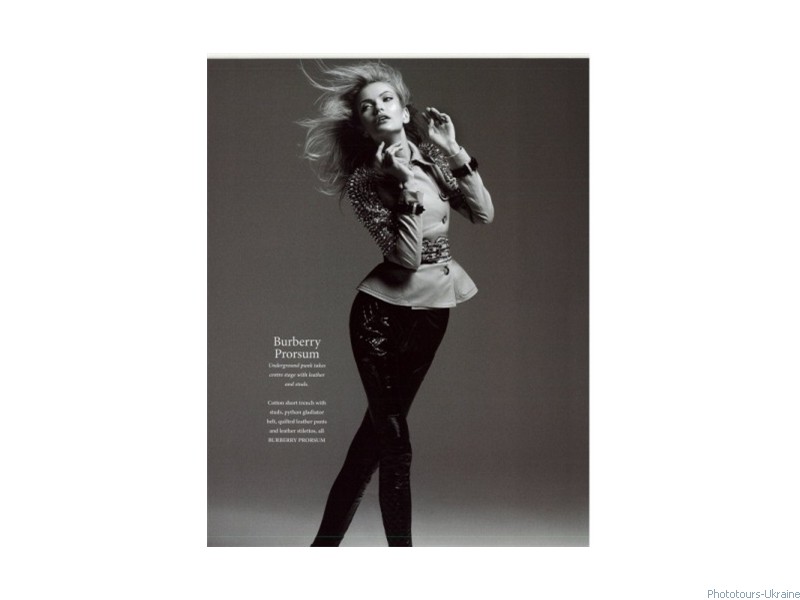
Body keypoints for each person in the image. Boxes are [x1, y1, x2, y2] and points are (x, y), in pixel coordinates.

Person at [300, 61, 494, 546]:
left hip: (433, 313)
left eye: (387, 99)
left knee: (369, 449)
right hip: (378, 320)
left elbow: (484, 213)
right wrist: (404, 186)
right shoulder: (367, 182)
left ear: (405, 112)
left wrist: (453, 150)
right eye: (368, 107)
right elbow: (405, 259)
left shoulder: (434, 161)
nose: (379, 108)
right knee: (397, 449)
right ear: (364, 128)